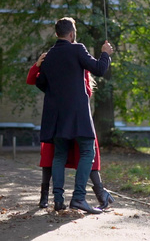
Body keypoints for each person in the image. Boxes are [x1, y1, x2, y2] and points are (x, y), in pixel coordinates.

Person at [35, 17, 114, 214]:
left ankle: (58, 200)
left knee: (60, 154)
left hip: (56, 115)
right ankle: (79, 198)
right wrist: (105, 54)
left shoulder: (48, 56)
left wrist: (57, 93)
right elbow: (99, 69)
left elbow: (40, 82)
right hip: (77, 113)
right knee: (88, 151)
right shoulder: (77, 48)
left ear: (56, 34)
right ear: (71, 34)